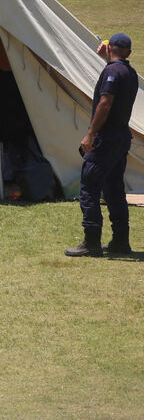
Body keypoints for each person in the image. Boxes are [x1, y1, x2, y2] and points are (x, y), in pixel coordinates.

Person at [67, 33, 138, 257]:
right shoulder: (130, 72)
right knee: (114, 190)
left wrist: (90, 133)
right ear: (128, 52)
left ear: (110, 48)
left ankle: (91, 242)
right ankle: (120, 242)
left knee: (89, 188)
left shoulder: (111, 71)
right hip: (121, 137)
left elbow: (105, 104)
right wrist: (107, 60)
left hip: (105, 138)